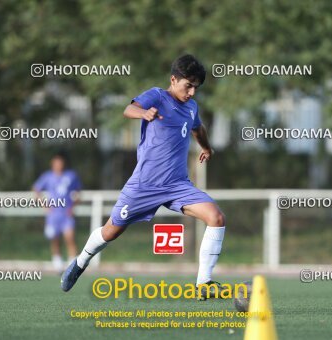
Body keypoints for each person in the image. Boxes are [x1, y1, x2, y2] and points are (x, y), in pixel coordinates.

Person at [61, 54, 226, 299]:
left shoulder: (191, 107)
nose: (192, 92)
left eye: (196, 87)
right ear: (173, 79)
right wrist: (143, 114)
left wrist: (205, 147)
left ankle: (204, 284)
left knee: (216, 217)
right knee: (110, 232)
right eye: (187, 85)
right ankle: (81, 260)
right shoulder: (157, 96)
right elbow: (129, 109)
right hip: (144, 185)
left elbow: (197, 127)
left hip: (178, 185)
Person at [33, 152, 81, 271]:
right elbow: (36, 189)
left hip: (66, 213)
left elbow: (78, 192)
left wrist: (73, 206)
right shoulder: (47, 176)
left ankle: (73, 265)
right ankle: (57, 262)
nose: (58, 165)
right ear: (52, 164)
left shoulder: (71, 176)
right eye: (56, 163)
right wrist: (44, 205)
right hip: (53, 214)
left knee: (70, 237)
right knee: (54, 239)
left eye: (60, 163)